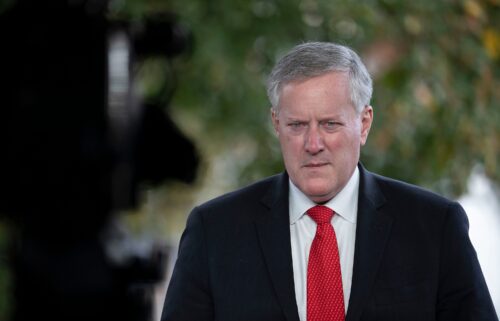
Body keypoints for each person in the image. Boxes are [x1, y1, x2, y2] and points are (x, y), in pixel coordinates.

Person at [160, 42, 498, 321]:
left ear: (364, 124)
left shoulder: (434, 227)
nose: (313, 143)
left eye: (330, 125)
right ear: (276, 123)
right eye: (296, 125)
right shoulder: (214, 231)